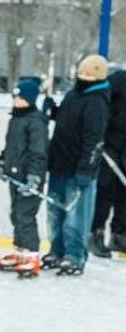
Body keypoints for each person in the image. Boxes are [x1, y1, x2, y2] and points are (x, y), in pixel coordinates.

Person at [42, 54, 111, 276]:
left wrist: (85, 170)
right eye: (81, 75)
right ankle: (57, 251)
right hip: (59, 165)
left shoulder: (97, 103)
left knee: (76, 217)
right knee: (55, 214)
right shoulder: (73, 95)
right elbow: (66, 120)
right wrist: (53, 111)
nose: (82, 80)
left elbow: (94, 140)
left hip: (78, 170)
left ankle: (74, 256)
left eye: (87, 77)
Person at [0, 78, 49, 277]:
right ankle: (20, 251)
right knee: (16, 214)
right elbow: (10, 147)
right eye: (14, 97)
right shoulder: (16, 119)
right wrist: (2, 162)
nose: (16, 101)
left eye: (21, 98)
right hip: (15, 176)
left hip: (29, 178)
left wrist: (35, 177)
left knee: (26, 216)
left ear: (31, 99)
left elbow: (39, 153)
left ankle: (32, 254)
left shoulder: (36, 122)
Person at [89, 67, 126, 257]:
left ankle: (119, 234)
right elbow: (99, 103)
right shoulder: (118, 80)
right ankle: (96, 233)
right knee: (105, 190)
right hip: (109, 145)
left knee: (124, 192)